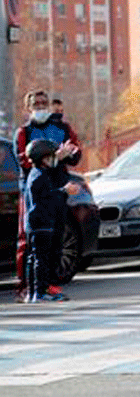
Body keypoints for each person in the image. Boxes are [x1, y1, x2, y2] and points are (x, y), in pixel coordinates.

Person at [13, 90, 81, 302]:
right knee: (30, 240)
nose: (41, 107)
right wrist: (54, 156)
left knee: (56, 236)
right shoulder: (24, 132)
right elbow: (25, 161)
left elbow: (76, 154)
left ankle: (50, 284)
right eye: (36, 104)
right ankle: (28, 287)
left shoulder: (62, 128)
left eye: (44, 103)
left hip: (59, 187)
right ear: (28, 108)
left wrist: (70, 153)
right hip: (35, 191)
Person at [23, 140, 77, 302]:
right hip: (41, 224)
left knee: (37, 258)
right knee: (41, 259)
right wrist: (64, 191)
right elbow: (46, 198)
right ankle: (40, 292)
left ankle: (34, 292)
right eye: (51, 157)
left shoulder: (38, 174)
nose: (54, 160)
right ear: (43, 159)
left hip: (39, 223)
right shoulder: (39, 176)